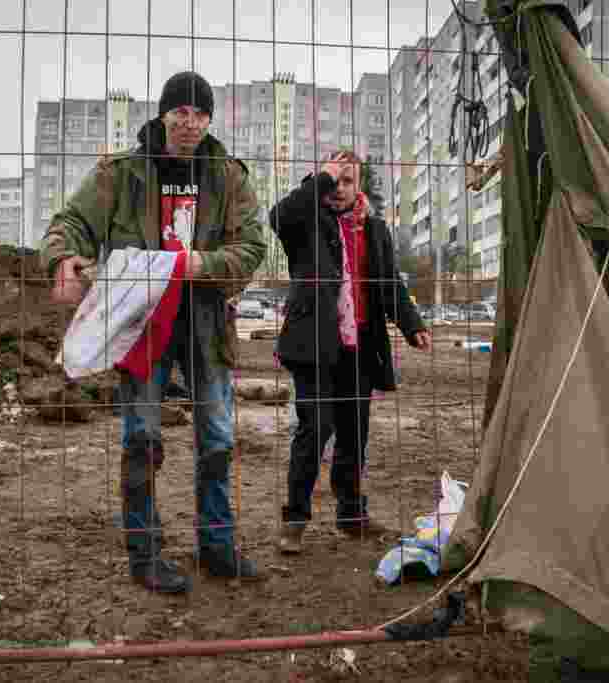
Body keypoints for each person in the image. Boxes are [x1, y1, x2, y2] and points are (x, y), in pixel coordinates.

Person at [42, 71, 267, 594]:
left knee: (217, 438)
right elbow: (72, 220)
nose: (189, 123)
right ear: (164, 116)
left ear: (210, 120)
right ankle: (145, 554)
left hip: (206, 324)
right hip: (140, 323)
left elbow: (252, 249)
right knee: (141, 437)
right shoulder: (122, 173)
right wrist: (65, 256)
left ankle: (217, 547)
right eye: (179, 113)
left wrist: (191, 266)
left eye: (199, 114)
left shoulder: (226, 176)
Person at [269, 150, 431, 554]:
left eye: (348, 180)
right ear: (322, 180)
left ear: (359, 186)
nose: (340, 188)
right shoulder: (306, 220)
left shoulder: (374, 230)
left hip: (359, 346)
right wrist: (320, 179)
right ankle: (294, 519)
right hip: (314, 346)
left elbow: (389, 282)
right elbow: (278, 216)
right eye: (334, 180)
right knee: (315, 428)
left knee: (354, 433)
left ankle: (351, 513)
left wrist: (412, 324)